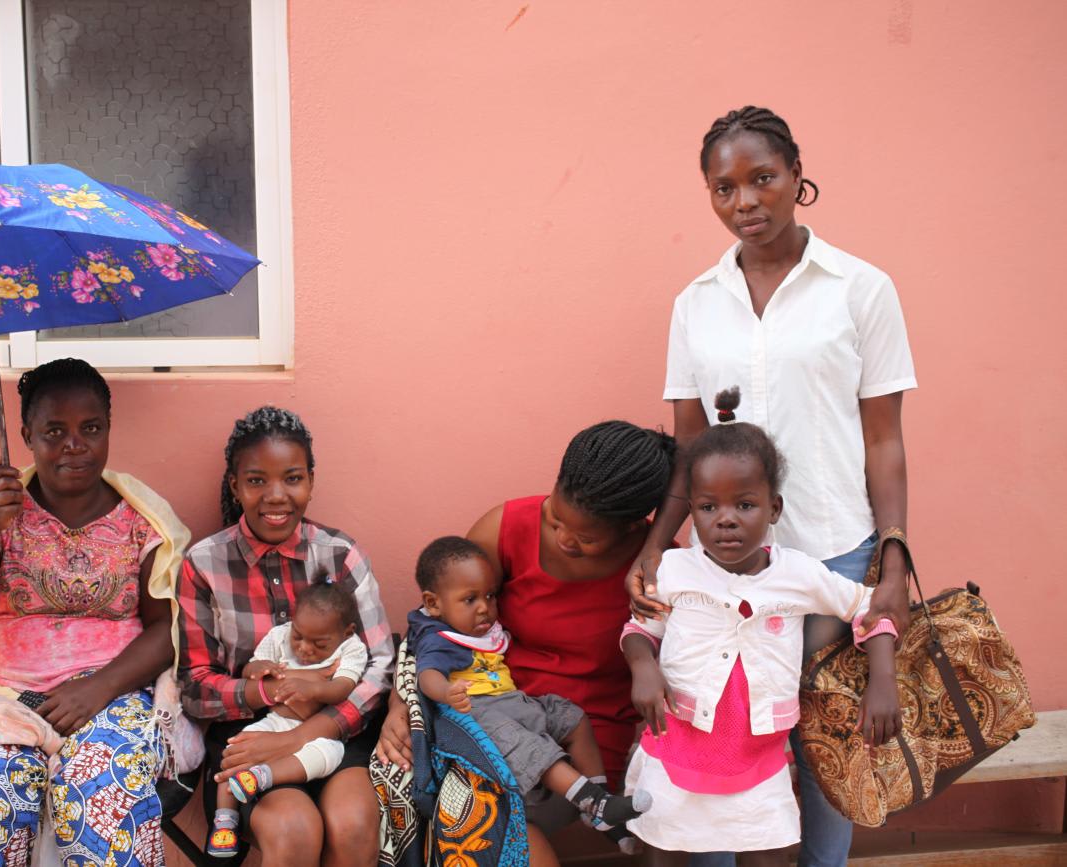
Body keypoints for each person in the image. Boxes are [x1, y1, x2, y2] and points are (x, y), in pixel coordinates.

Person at [627, 106, 917, 866]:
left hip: (833, 549)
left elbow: (884, 439)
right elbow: (689, 447)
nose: (745, 201)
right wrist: (659, 544)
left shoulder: (861, 288)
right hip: (719, 567)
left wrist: (893, 556)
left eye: (761, 179)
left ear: (796, 176)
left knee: (822, 744)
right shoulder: (695, 302)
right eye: (724, 188)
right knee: (721, 733)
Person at [0, 358, 191, 867]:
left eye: (90, 429)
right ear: (26, 434)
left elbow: (167, 628)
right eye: (54, 431)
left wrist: (96, 689)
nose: (74, 445)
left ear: (108, 429)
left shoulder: (141, 518)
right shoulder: (1, 509)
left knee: (105, 793)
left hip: (112, 689)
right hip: (3, 692)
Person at [375, 421, 674, 866]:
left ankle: (596, 807)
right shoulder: (506, 528)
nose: (563, 539)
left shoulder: (656, 568)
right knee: (490, 824)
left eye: (585, 538)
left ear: (634, 527)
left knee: (500, 826)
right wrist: (404, 707)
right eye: (555, 519)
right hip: (487, 717)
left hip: (582, 741)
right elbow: (435, 626)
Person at [621, 388, 900, 866]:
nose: (725, 521)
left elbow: (873, 611)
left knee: (768, 855)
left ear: (774, 508)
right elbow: (640, 630)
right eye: (708, 508)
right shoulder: (674, 570)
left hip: (758, 763)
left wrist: (883, 680)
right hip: (677, 751)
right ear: (692, 510)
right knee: (662, 853)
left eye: (745, 506)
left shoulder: (799, 575)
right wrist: (643, 669)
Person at [176, 406, 394, 867]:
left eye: (292, 478)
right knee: (293, 829)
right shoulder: (204, 564)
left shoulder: (341, 555)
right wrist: (266, 691)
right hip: (251, 733)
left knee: (353, 824)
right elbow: (195, 684)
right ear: (235, 486)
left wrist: (313, 728)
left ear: (311, 481)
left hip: (340, 727)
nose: (276, 496)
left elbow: (381, 667)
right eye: (256, 481)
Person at [407, 536, 646, 829]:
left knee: (571, 717)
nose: (484, 607)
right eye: (470, 600)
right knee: (533, 750)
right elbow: (427, 674)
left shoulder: (477, 626)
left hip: (513, 704)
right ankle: (595, 802)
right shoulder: (438, 638)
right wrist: (446, 692)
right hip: (474, 716)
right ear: (433, 603)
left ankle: (599, 808)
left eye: (490, 596)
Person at [207, 582, 370, 858]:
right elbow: (250, 668)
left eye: (319, 644)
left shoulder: (351, 649)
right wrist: (261, 668)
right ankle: (224, 822)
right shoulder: (280, 636)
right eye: (298, 636)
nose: (304, 649)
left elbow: (342, 687)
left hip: (320, 730)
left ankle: (261, 777)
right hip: (276, 721)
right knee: (236, 751)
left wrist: (314, 688)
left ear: (346, 632)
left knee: (328, 754)